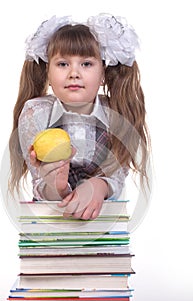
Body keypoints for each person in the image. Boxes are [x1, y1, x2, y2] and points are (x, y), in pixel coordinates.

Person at [8, 14, 150, 220]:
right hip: (51, 222)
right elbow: (40, 184)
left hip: (102, 223)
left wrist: (99, 186)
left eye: (86, 64)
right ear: (48, 72)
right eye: (63, 64)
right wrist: (55, 184)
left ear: (103, 73)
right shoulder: (35, 113)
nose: (74, 73)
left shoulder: (117, 114)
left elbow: (117, 177)